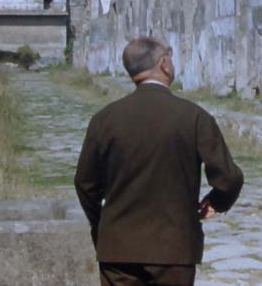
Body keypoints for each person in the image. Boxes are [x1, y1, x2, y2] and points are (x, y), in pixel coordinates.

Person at [74, 37, 244, 286]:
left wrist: (103, 226)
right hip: (174, 248)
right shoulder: (193, 117)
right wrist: (217, 202)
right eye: (170, 55)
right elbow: (230, 178)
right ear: (164, 64)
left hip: (118, 248)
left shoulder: (104, 119)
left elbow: (84, 183)